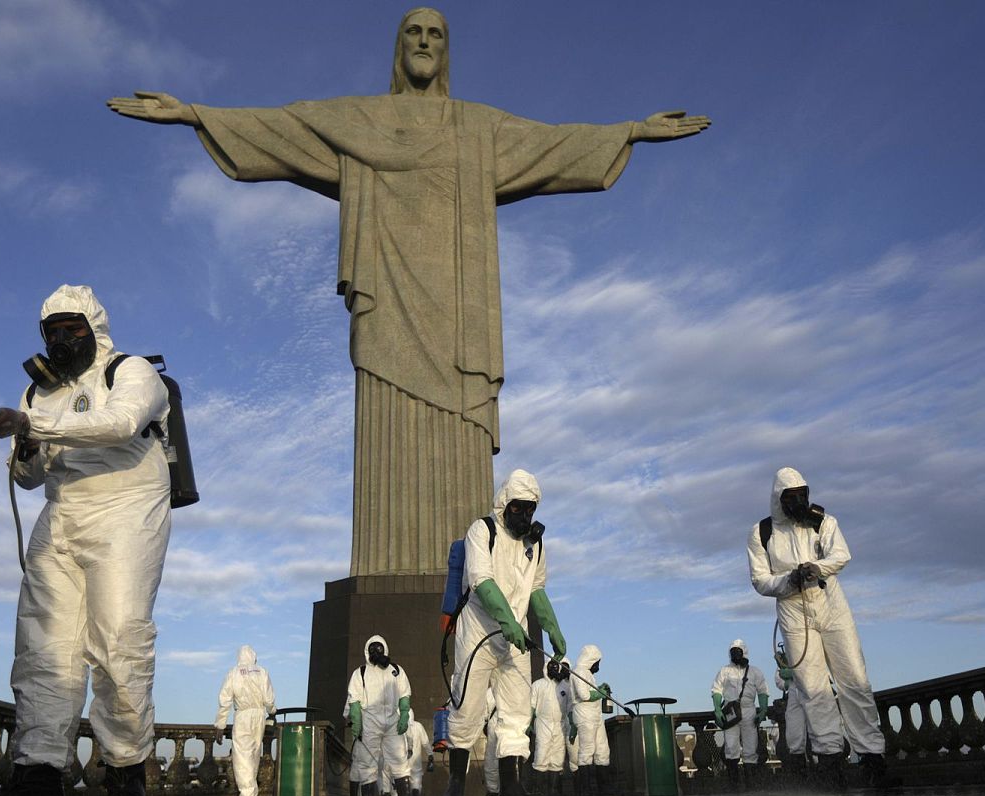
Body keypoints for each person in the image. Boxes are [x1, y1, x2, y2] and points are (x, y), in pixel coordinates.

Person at [107, 9, 709, 578]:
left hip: (458, 314)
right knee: (387, 430)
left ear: (447, 51)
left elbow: (552, 144)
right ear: (400, 48)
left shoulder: (478, 127)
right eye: (413, 32)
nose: (424, 41)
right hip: (386, 302)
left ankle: (466, 572)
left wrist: (631, 130)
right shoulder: (358, 121)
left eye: (436, 34)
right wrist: (194, 114)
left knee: (460, 431)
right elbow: (284, 127)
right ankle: (387, 563)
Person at [0, 284, 172, 796]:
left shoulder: (134, 371)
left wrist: (31, 426)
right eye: (52, 332)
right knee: (43, 649)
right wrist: (24, 443)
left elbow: (120, 425)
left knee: (118, 639)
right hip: (61, 512)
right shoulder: (37, 393)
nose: (62, 340)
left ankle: (125, 778)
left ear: (94, 328)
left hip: (126, 507)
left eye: (73, 329)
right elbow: (27, 479)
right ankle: (38, 783)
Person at [747, 467, 894, 789]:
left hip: (830, 604)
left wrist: (816, 568)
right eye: (791, 497)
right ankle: (830, 760)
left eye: (803, 494)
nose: (799, 501)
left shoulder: (824, 522)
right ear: (778, 499)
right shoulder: (762, 532)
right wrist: (788, 580)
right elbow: (759, 579)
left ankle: (872, 756)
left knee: (854, 679)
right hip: (793, 610)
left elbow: (841, 555)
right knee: (813, 688)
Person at [440, 469, 567, 796]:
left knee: (516, 710)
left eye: (531, 509)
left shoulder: (535, 544)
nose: (525, 515)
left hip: (516, 638)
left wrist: (552, 626)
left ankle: (511, 786)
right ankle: (454, 788)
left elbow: (536, 588)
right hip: (478, 633)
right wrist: (507, 620)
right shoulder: (482, 531)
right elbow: (481, 580)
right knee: (467, 709)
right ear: (505, 503)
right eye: (519, 508)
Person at [347, 635, 414, 796]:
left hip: (392, 720)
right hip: (370, 722)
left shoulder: (396, 670)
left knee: (399, 757)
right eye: (373, 648)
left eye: (379, 648)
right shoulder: (360, 673)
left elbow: (404, 693)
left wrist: (404, 713)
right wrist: (357, 722)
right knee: (367, 761)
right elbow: (354, 700)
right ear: (366, 651)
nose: (376, 651)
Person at [213, 645, 277, 796]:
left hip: (243, 715)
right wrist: (272, 711)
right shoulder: (262, 672)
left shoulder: (233, 673)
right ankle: (252, 793)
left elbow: (225, 699)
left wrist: (220, 724)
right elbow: (269, 699)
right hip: (259, 716)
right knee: (255, 754)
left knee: (242, 756)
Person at [711, 639, 770, 789]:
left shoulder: (755, 672)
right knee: (731, 747)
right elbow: (716, 690)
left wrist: (763, 709)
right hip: (731, 711)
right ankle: (734, 785)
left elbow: (763, 691)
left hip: (749, 710)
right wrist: (717, 708)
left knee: (751, 747)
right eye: (733, 652)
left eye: (738, 652)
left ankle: (752, 785)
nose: (735, 655)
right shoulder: (724, 671)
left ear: (744, 652)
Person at [531, 657, 578, 796]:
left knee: (558, 756)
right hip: (543, 723)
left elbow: (570, 707)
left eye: (556, 666)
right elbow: (531, 705)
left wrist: (573, 724)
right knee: (541, 754)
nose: (554, 668)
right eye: (551, 665)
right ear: (546, 666)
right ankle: (539, 791)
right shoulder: (538, 685)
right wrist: (529, 723)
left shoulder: (566, 687)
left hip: (560, 724)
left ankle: (553, 792)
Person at [571, 644, 614, 796]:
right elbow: (584, 694)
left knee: (602, 749)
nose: (598, 666)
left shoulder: (588, 674)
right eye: (597, 662)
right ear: (591, 660)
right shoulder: (578, 672)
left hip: (595, 715)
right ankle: (586, 789)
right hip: (584, 715)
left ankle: (605, 787)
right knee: (587, 750)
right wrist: (600, 692)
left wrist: (600, 690)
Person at [382, 715, 433, 796]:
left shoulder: (395, 724)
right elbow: (425, 742)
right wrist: (430, 754)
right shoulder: (418, 726)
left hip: (401, 757)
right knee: (416, 776)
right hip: (414, 758)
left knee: (398, 775)